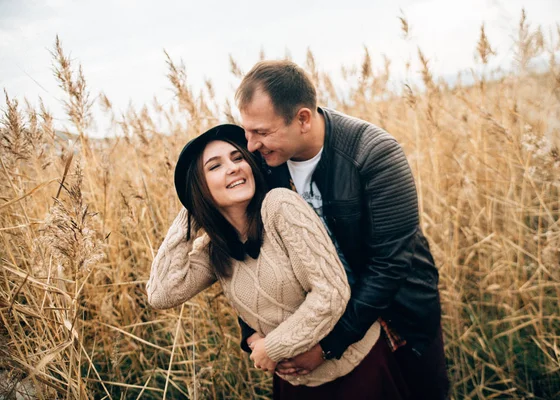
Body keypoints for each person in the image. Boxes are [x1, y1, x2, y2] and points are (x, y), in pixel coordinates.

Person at [235, 60, 449, 399]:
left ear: (303, 119)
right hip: (307, 328)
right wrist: (254, 333)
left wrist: (326, 347)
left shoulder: (375, 154)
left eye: (261, 132)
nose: (250, 145)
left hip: (397, 317)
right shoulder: (262, 166)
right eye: (247, 131)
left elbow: (390, 265)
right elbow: (249, 254)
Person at [146, 124, 410, 398]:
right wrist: (190, 213)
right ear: (200, 187)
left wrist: (272, 348)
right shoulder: (216, 250)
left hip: (355, 371)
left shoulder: (279, 207)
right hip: (295, 384)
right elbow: (161, 294)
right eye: (215, 167)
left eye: (238, 158)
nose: (234, 167)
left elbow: (331, 293)